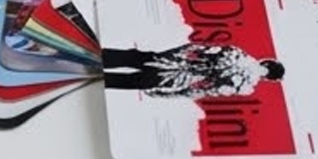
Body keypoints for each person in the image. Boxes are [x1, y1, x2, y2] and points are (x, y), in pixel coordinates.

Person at [100, 39, 285, 97]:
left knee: (127, 58)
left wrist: (169, 55)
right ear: (268, 78)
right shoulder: (244, 86)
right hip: (176, 80)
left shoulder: (238, 53)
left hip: (174, 61)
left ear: (265, 62)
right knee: (121, 81)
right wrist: (163, 93)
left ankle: (89, 60)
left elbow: (196, 47)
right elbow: (201, 91)